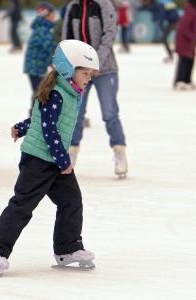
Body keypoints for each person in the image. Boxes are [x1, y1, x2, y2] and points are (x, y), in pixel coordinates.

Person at [0, 40, 99, 276]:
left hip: (54, 159)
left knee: (71, 201)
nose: (89, 78)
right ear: (68, 70)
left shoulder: (68, 92)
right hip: (38, 160)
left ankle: (68, 248)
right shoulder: (57, 93)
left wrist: (21, 127)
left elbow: (39, 118)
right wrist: (64, 161)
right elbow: (48, 129)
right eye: (85, 73)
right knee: (22, 205)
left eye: (90, 74)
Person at [62, 0, 128, 179]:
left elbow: (110, 32)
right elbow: (66, 38)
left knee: (110, 113)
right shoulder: (73, 7)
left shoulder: (103, 4)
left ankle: (119, 152)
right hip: (80, 71)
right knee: (75, 114)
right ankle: (69, 155)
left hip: (105, 70)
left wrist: (95, 62)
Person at [23, 2, 57, 115]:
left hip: (36, 66)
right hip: (35, 67)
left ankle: (36, 113)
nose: (55, 16)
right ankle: (34, 114)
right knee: (39, 91)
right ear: (47, 15)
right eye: (53, 13)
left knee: (40, 90)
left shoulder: (42, 28)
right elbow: (49, 47)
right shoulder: (42, 30)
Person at [173, 0, 196, 90]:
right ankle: (179, 80)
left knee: (191, 60)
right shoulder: (191, 11)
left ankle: (187, 80)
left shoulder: (195, 11)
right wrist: (191, 36)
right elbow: (183, 27)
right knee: (184, 60)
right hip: (185, 40)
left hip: (190, 41)